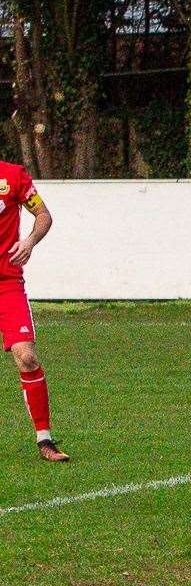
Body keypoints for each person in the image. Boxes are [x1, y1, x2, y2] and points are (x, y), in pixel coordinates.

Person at [0, 158, 67, 461]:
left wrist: (29, 241)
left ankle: (45, 440)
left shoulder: (12, 175)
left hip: (7, 284)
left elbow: (43, 215)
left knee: (27, 357)